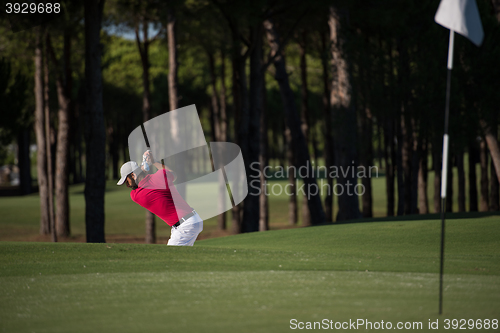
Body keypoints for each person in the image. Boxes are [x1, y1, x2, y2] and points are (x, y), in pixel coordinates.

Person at [117, 151, 203, 246]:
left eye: (127, 180)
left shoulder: (136, 195)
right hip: (193, 219)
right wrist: (154, 162)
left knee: (169, 258)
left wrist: (143, 167)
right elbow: (172, 173)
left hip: (185, 225)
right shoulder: (159, 176)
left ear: (133, 175)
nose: (127, 185)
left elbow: (142, 183)